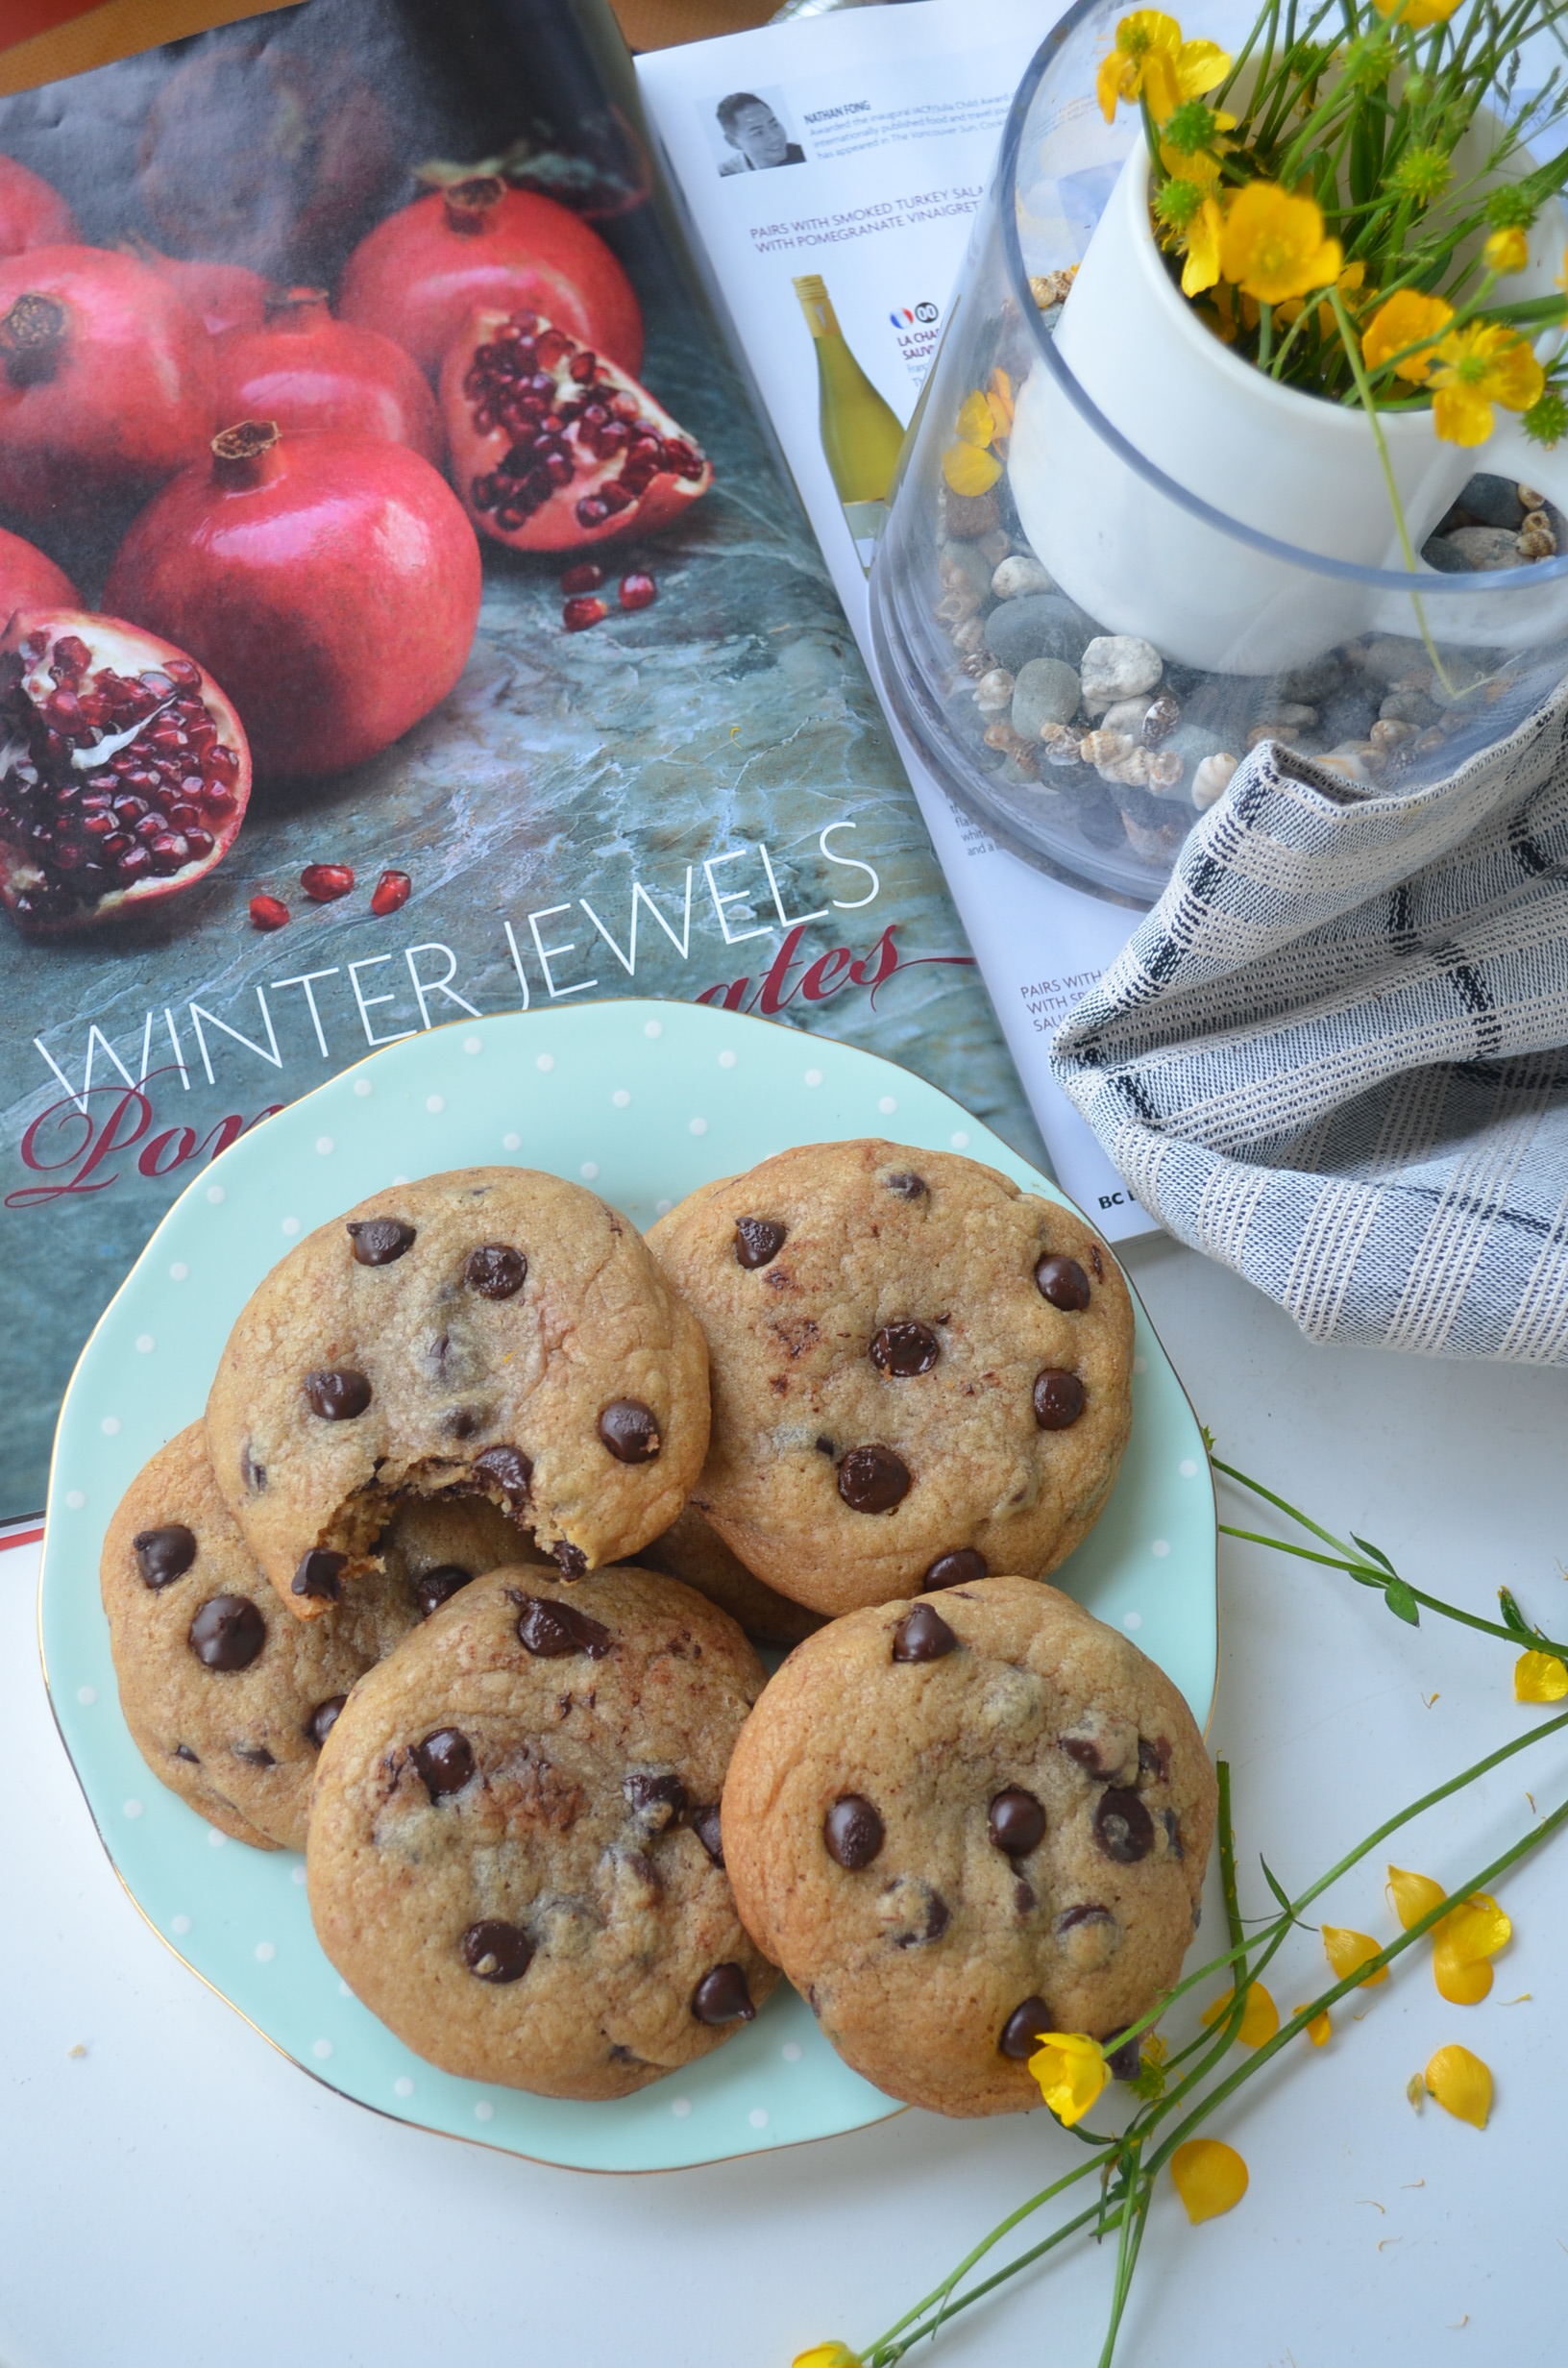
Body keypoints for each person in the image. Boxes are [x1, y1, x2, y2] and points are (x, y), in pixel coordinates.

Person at [716, 92, 804, 175]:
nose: (774, 137)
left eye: (774, 125)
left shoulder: (804, 155)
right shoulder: (725, 174)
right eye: (758, 133)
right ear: (733, 142)